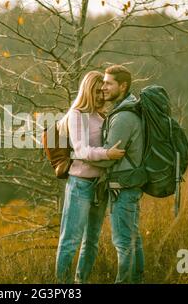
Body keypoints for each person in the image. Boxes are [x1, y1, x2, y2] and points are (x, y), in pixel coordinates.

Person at [55, 70, 125, 284]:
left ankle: (80, 282)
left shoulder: (102, 115)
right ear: (86, 90)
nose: (100, 96)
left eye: (102, 91)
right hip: (80, 185)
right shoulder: (77, 114)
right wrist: (107, 154)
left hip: (100, 186)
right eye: (95, 91)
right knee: (70, 240)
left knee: (92, 241)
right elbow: (81, 150)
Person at [89, 64, 145, 284]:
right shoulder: (128, 109)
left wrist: (77, 157)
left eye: (108, 83)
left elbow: (109, 156)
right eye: (103, 82)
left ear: (123, 86)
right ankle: (138, 280)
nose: (103, 87)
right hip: (128, 186)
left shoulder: (122, 117)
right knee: (133, 240)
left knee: (123, 243)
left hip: (122, 189)